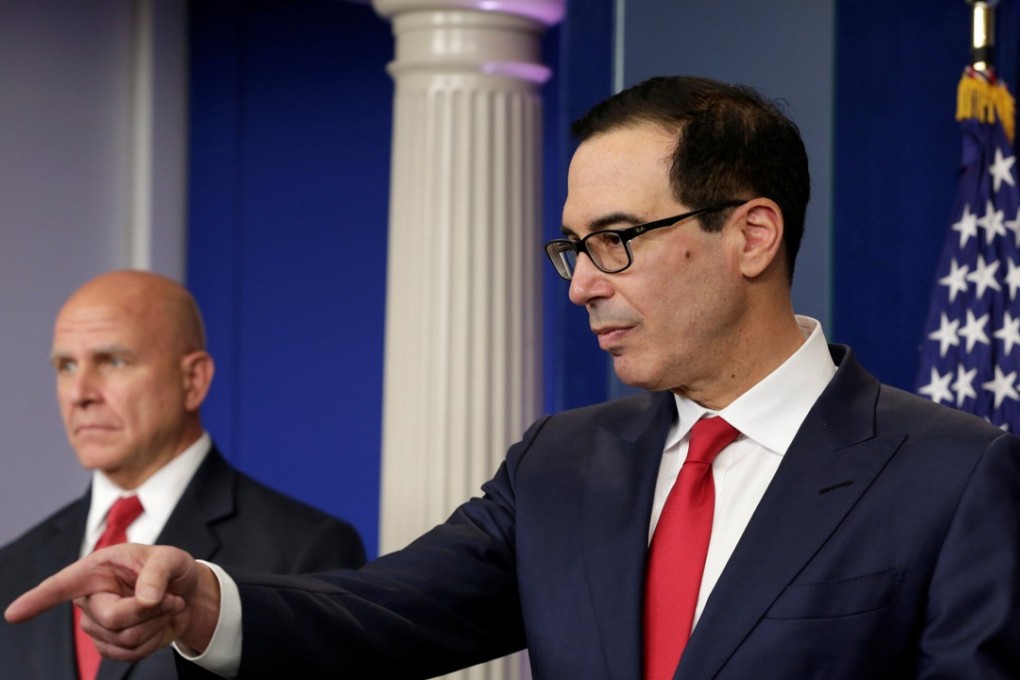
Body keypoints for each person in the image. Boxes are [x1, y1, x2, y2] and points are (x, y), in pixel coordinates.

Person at [8, 76, 1020, 678]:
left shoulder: (952, 476)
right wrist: (203, 604)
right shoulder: (561, 463)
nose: (581, 284)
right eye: (572, 246)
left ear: (751, 233)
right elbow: (383, 613)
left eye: (617, 239)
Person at [0, 270, 366, 679]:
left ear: (192, 380)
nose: (79, 393)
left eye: (113, 361)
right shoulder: (13, 567)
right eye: (66, 366)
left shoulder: (305, 551)